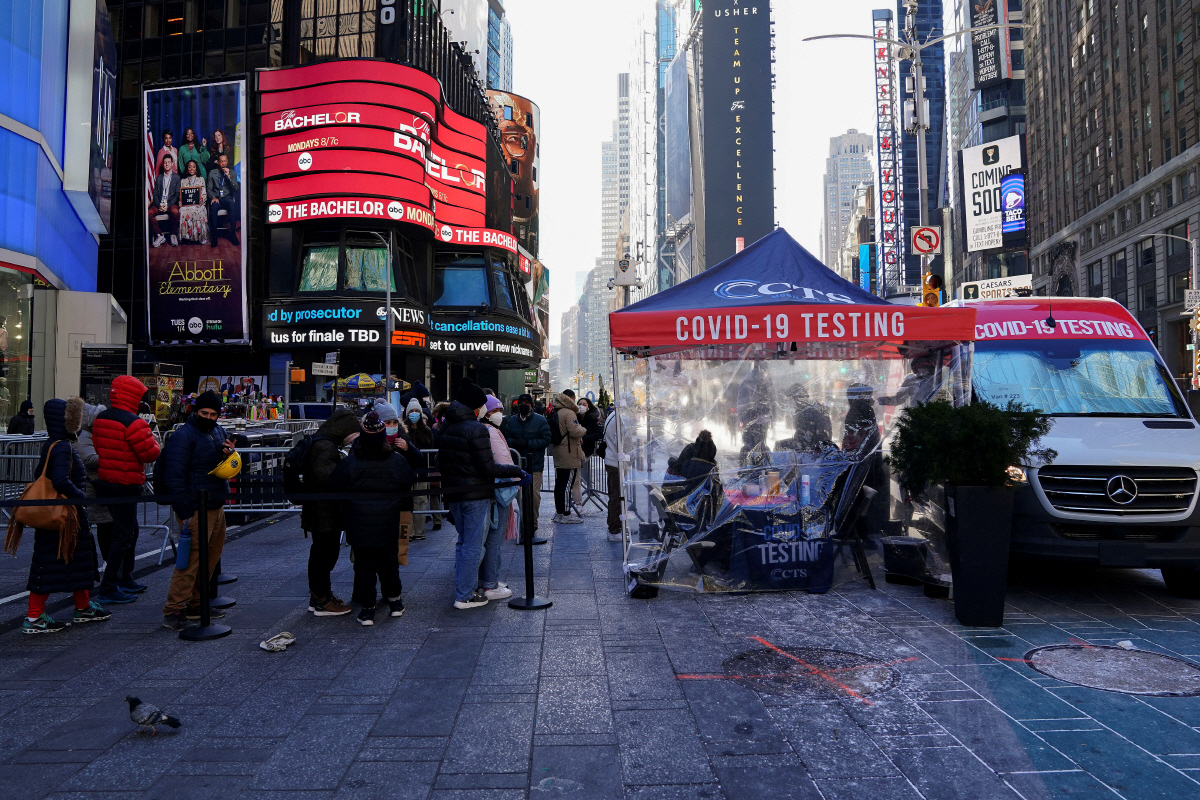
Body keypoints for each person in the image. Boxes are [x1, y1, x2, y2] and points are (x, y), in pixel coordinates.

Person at [14, 398, 111, 633]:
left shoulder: (53, 444)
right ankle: (35, 616)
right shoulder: (63, 447)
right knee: (51, 564)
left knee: (75, 561)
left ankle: (82, 606)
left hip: (62, 515)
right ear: (67, 419)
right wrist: (81, 498)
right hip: (65, 516)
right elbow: (60, 480)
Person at [436, 379, 525, 609]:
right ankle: (465, 595)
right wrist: (516, 471)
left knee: (463, 542)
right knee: (474, 545)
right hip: (475, 494)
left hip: (454, 493)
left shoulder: (447, 425)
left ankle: (463, 588)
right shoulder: (476, 429)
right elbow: (488, 468)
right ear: (475, 406)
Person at [156, 391, 236, 631]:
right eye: (204, 413)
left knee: (209, 558)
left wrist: (228, 454)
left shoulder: (217, 431)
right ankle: (174, 609)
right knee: (190, 561)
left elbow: (212, 462)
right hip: (195, 506)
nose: (208, 417)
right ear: (195, 411)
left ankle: (196, 603)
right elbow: (175, 475)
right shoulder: (183, 436)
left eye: (213, 414)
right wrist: (185, 511)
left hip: (214, 502)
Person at [330, 411, 415, 625]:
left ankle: (367, 609)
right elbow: (407, 482)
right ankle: (395, 602)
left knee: (364, 566)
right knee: (389, 563)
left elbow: (336, 484)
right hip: (388, 521)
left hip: (359, 523)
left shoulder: (351, 462)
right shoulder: (396, 460)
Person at [92, 376, 161, 604]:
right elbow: (150, 454)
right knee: (124, 535)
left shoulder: (101, 418)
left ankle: (125, 578)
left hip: (107, 481)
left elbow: (99, 447)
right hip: (126, 483)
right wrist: (154, 441)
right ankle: (110, 585)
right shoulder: (134, 422)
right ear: (133, 396)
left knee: (127, 531)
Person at [300, 409, 359, 617]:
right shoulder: (326, 446)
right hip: (324, 510)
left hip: (318, 508)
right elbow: (328, 477)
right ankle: (322, 600)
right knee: (324, 553)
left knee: (321, 552)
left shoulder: (321, 441)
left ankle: (318, 597)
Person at [74, 403, 116, 586]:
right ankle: (105, 563)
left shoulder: (91, 434)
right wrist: (112, 456)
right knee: (103, 524)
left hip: (98, 484)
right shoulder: (84, 435)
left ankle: (106, 564)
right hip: (93, 485)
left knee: (105, 524)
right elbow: (89, 459)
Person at [478, 396, 514, 600]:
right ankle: (490, 583)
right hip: (499, 490)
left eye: (500, 410)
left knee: (488, 539)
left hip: (488, 489)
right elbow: (503, 460)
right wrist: (517, 476)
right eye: (494, 411)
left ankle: (487, 580)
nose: (499, 414)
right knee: (494, 539)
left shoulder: (483, 430)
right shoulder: (490, 432)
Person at [502, 393, 550, 527]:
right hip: (517, 465)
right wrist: (515, 443)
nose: (523, 406)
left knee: (534, 495)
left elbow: (546, 439)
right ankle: (524, 521)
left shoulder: (540, 420)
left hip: (534, 464)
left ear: (532, 405)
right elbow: (506, 439)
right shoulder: (511, 421)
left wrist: (528, 443)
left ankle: (532, 522)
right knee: (520, 496)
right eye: (521, 403)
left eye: (526, 403)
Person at [550, 391, 586, 524]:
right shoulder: (569, 413)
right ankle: (566, 514)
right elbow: (575, 431)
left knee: (560, 484)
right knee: (567, 484)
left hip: (559, 450)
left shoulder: (556, 412)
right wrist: (583, 429)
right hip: (569, 452)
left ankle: (559, 513)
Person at [602, 398, 634, 540]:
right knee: (617, 496)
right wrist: (630, 456)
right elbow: (623, 442)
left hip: (613, 459)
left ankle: (616, 526)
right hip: (617, 461)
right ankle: (614, 530)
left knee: (616, 495)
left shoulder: (613, 416)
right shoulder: (621, 418)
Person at [404, 398, 435, 540]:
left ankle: (419, 531)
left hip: (422, 470)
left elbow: (431, 448)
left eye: (417, 411)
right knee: (408, 501)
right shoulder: (403, 430)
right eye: (411, 411)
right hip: (407, 470)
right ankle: (409, 532)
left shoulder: (426, 431)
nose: (414, 413)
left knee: (421, 500)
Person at [147, 155, 182, 248]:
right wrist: (159, 205)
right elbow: (155, 194)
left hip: (170, 204)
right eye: (165, 162)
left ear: (172, 164)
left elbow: (177, 195)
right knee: (149, 213)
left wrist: (168, 205)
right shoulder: (159, 178)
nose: (167, 164)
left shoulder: (177, 178)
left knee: (175, 212)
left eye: (169, 162)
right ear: (162, 164)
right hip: (160, 204)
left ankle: (173, 234)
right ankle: (159, 235)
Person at [576, 397, 603, 512]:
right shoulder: (574, 417)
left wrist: (585, 439)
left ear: (588, 406)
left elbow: (599, 434)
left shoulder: (593, 418)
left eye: (584, 404)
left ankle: (578, 499)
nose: (581, 406)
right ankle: (577, 498)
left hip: (586, 449)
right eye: (580, 404)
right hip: (575, 450)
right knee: (576, 476)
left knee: (578, 475)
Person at [206, 153, 240, 248]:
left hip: (227, 198)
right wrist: (213, 197)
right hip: (217, 198)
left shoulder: (232, 172)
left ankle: (233, 233)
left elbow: (236, 188)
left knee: (232, 204)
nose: (223, 163)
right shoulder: (212, 173)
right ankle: (214, 236)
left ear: (227, 161)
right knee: (213, 207)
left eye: (225, 161)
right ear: (218, 162)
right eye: (221, 161)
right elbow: (209, 189)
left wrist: (229, 177)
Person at [177, 160, 208, 244]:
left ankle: (198, 237)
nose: (191, 169)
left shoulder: (201, 179)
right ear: (187, 169)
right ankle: (186, 238)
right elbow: (181, 195)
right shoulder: (183, 181)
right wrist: (181, 202)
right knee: (182, 211)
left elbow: (204, 194)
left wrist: (202, 200)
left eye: (193, 167)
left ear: (196, 169)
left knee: (200, 211)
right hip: (187, 205)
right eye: (189, 167)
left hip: (198, 204)